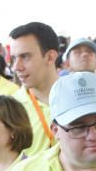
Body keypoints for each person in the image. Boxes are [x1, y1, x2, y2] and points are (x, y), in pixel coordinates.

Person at [10, 22, 62, 156]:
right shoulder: (10, 109)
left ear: (50, 57)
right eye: (14, 58)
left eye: (25, 57)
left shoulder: (79, 98)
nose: (16, 67)